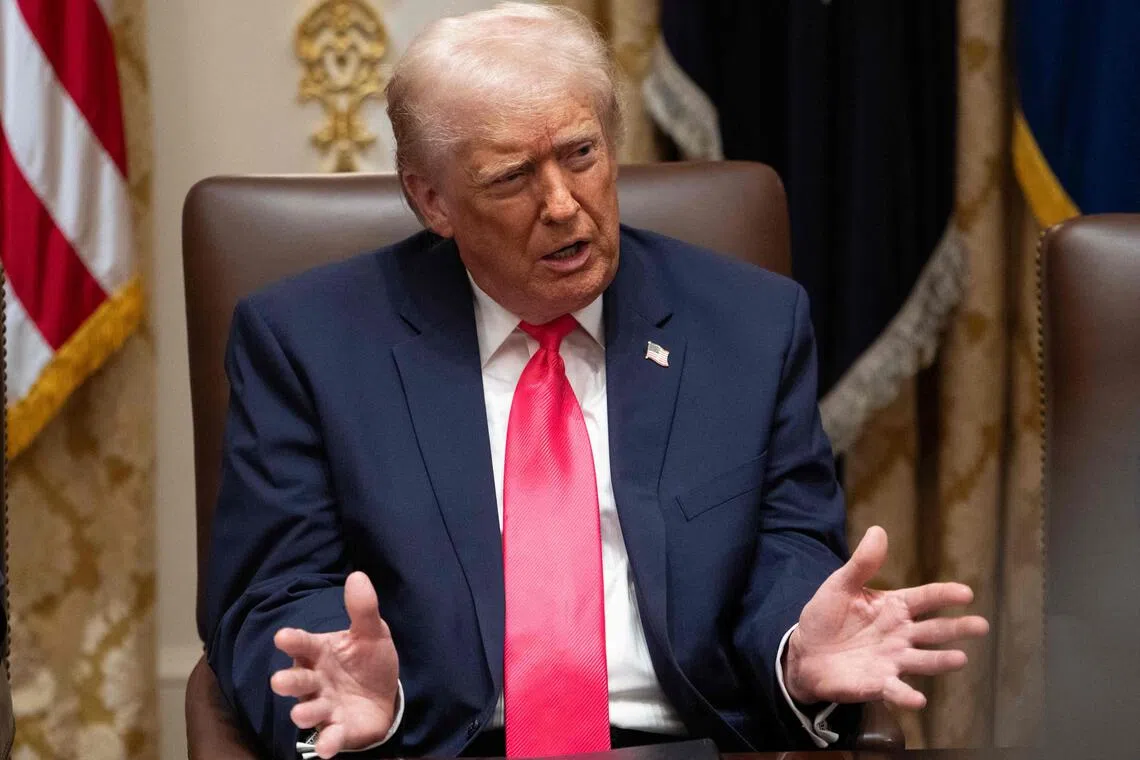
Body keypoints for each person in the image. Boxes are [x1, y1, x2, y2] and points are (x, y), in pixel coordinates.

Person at [203, 4, 988, 758]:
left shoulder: (749, 326)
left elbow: (787, 551)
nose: (562, 204)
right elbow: (275, 590)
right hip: (433, 744)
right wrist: (346, 695)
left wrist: (795, 650)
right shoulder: (310, 344)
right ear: (432, 200)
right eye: (512, 177)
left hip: (690, 743)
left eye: (581, 154)